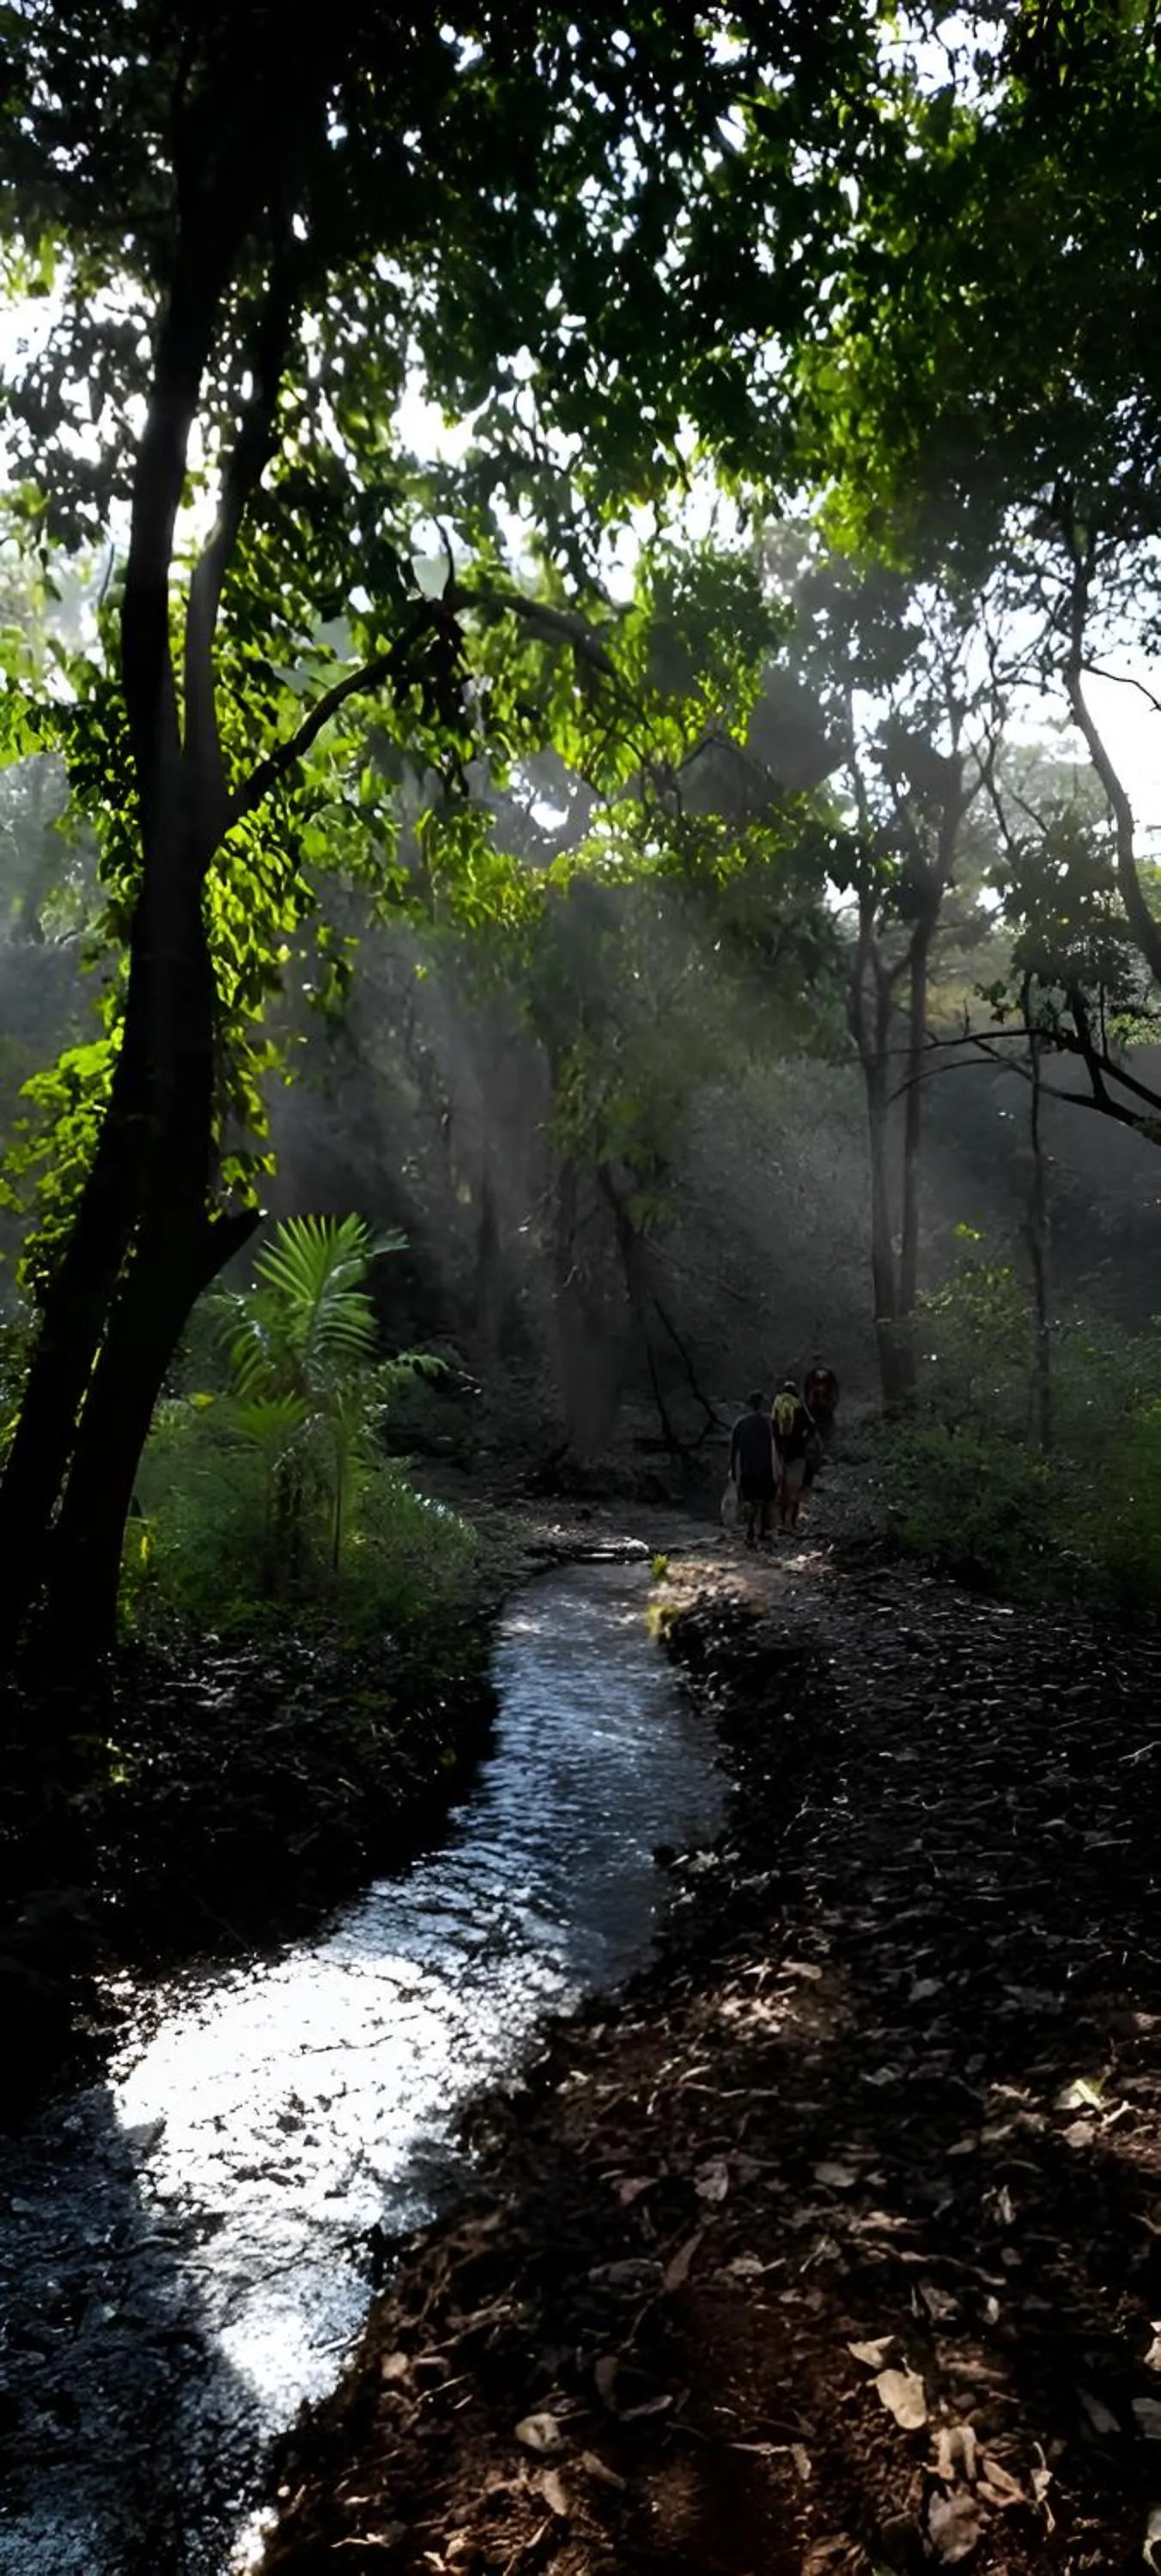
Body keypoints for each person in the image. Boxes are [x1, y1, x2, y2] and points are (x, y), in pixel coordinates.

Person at [728, 1391, 777, 1548]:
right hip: (765, 1466)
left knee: (750, 1501)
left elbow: (733, 1450)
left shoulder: (741, 1424)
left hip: (747, 1468)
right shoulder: (766, 1423)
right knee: (765, 1500)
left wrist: (734, 1472)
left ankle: (750, 1532)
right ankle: (762, 1531)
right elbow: (774, 1447)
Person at [772, 1376, 814, 1530]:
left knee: (780, 1487)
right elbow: (811, 1425)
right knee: (796, 1487)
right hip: (797, 1452)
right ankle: (792, 1522)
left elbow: (773, 1427)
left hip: (779, 1452)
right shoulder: (798, 1405)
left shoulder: (777, 1403)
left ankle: (779, 1521)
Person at [803, 1359, 840, 1444]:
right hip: (816, 1409)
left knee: (826, 1431)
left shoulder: (828, 1377)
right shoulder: (811, 1376)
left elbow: (835, 1392)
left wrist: (832, 1405)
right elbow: (807, 1393)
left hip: (825, 1409)